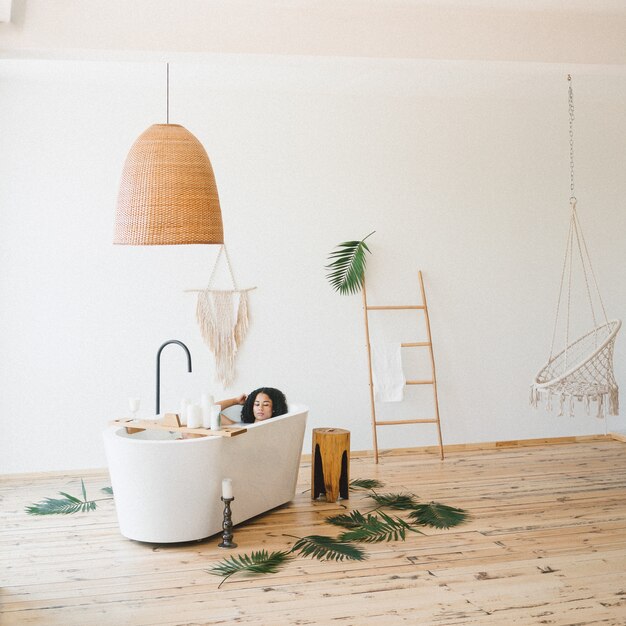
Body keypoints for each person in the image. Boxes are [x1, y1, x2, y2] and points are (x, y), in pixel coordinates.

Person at [218, 387, 288, 424]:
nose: (260, 408)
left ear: (274, 408)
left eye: (266, 404)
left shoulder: (278, 430)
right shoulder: (241, 428)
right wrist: (235, 400)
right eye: (257, 404)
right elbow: (209, 411)